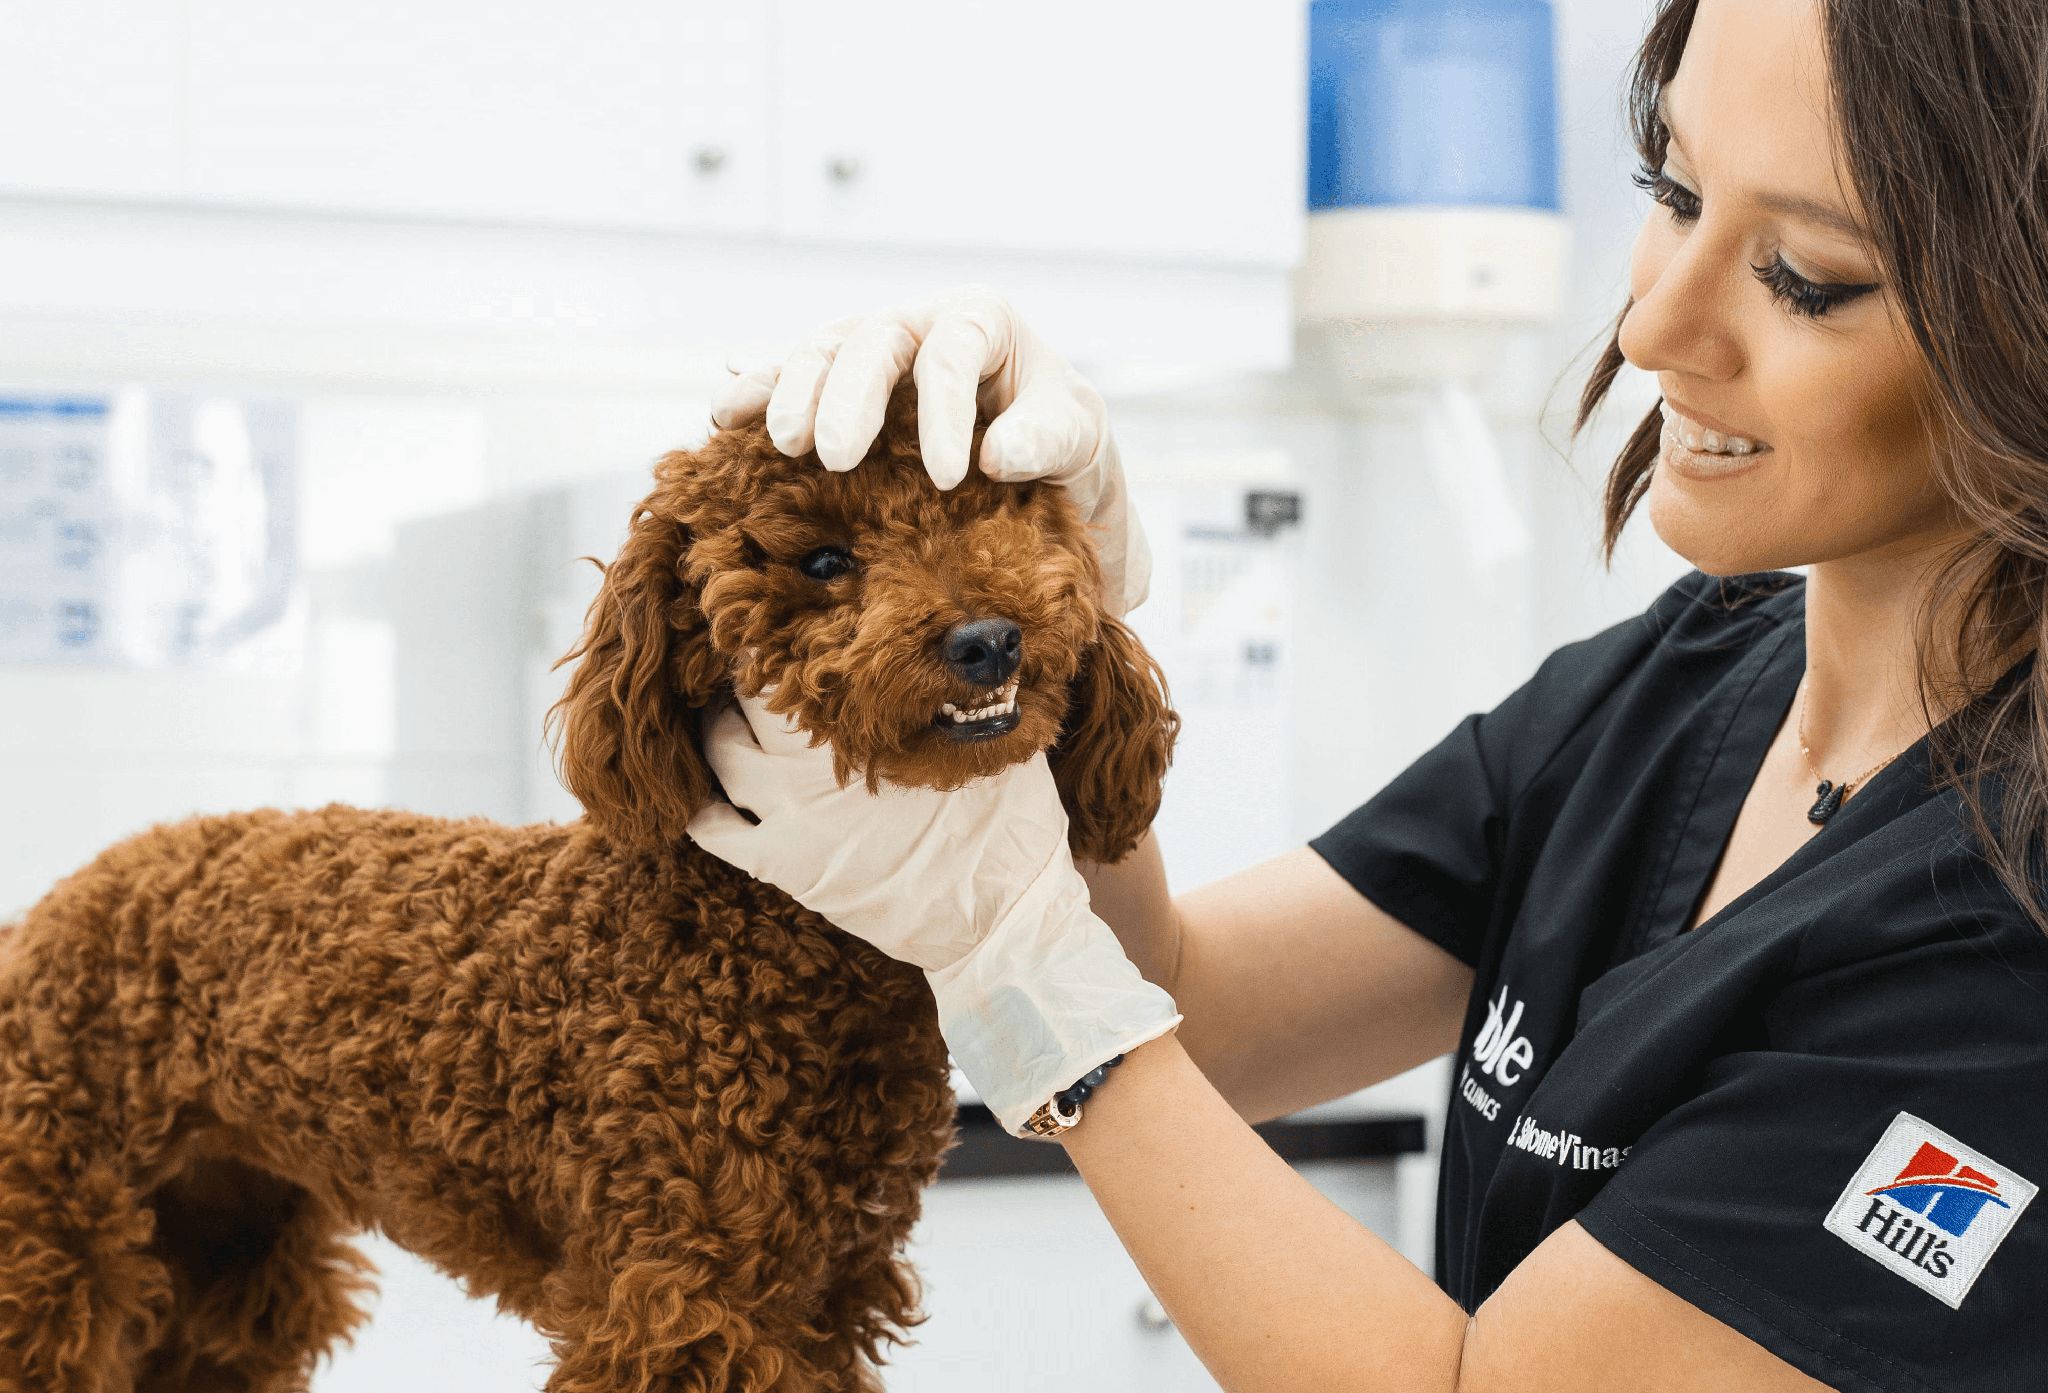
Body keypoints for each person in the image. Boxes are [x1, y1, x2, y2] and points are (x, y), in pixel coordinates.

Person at [682, 0, 2048, 1387]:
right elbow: (1193, 1001)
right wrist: (1044, 633)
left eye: (1806, 275)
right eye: (1673, 190)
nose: (1652, 323)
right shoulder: (1688, 680)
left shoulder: (2009, 926)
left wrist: (1021, 973)